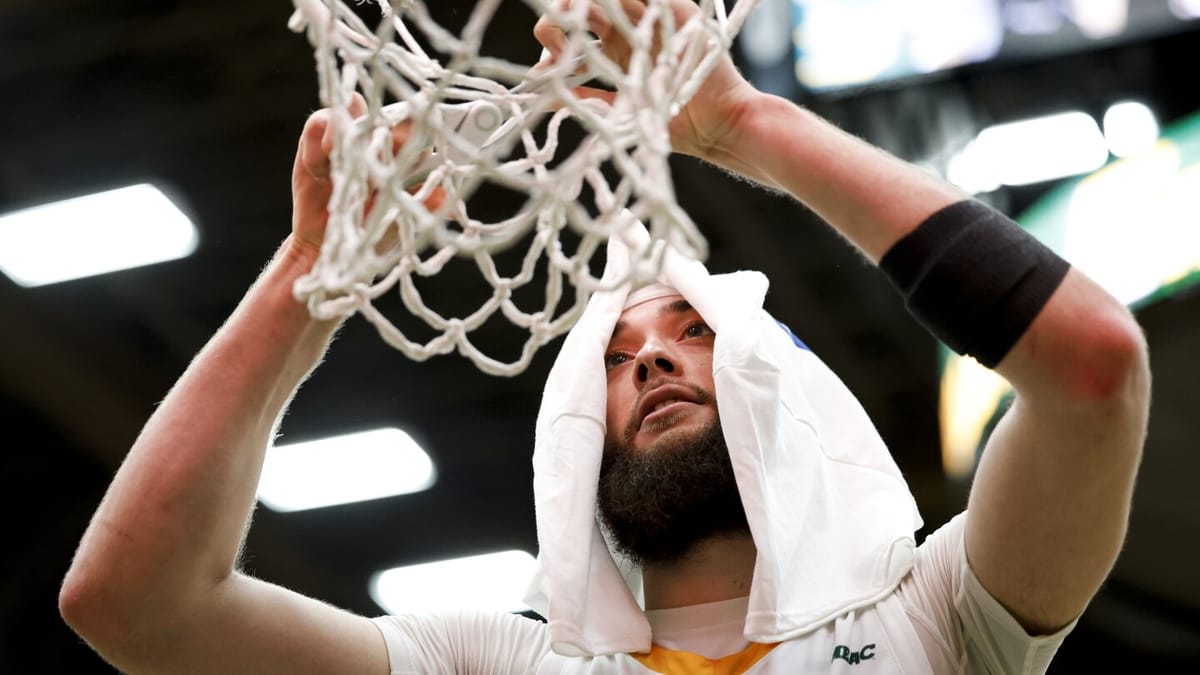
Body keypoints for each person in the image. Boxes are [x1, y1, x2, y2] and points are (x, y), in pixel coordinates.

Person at [59, 1, 1150, 673]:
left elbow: (1093, 368)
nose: (653, 358)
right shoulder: (496, 660)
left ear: (781, 389)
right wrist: (312, 277)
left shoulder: (942, 608)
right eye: (616, 361)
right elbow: (133, 607)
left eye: (691, 331)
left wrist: (740, 126)